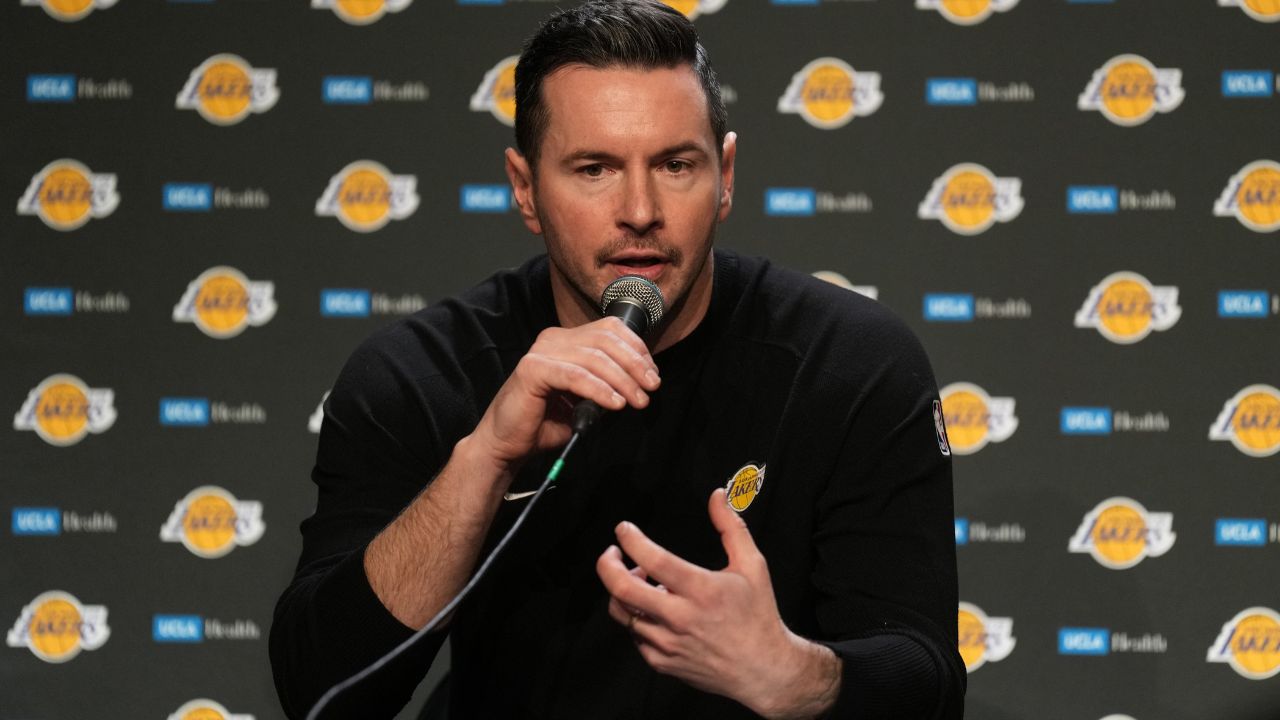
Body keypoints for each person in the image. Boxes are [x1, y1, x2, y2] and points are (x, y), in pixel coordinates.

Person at [270, 1, 965, 718]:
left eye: (675, 164)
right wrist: (483, 461)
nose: (639, 209)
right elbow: (323, 692)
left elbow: (929, 684)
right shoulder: (421, 374)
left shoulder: (851, 365)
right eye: (594, 168)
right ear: (524, 188)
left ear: (725, 176)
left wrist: (792, 674)